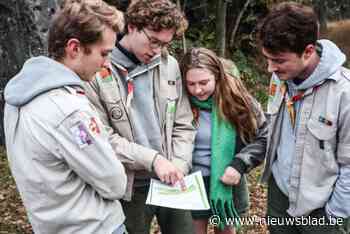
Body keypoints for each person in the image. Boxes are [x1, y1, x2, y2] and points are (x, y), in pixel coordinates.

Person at [3, 1, 127, 234]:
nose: (106, 63)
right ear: (74, 48)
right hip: (95, 228)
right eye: (104, 53)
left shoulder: (17, 97)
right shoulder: (69, 110)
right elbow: (114, 184)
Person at [229, 2, 350, 234]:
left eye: (278, 60)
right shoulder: (280, 77)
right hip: (280, 199)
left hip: (323, 210)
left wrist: (334, 216)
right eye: (267, 58)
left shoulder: (344, 93)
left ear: (308, 51)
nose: (269, 69)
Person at [83, 0, 196, 233]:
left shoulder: (169, 65)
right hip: (129, 187)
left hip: (173, 180)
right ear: (132, 26)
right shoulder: (97, 70)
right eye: (153, 41)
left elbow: (184, 124)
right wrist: (153, 159)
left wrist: (179, 165)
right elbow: (103, 138)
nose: (156, 50)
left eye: (165, 44)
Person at [180, 47, 267, 234]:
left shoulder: (237, 101)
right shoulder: (180, 102)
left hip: (226, 179)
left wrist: (239, 164)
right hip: (191, 181)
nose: (197, 90)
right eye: (191, 84)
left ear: (217, 76)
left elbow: (264, 137)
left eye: (204, 82)